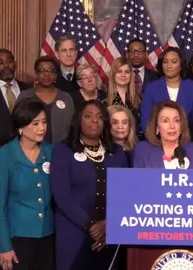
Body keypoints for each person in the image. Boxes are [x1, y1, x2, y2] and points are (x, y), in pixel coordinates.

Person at [50, 100, 128, 270]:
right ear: (79, 120)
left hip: (109, 236)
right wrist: (92, 226)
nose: (95, 121)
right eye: (88, 116)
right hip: (74, 236)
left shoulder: (117, 153)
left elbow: (124, 196)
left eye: (100, 117)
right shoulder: (63, 151)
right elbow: (62, 197)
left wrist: (108, 225)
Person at [0, 99, 55, 270]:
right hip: (18, 238)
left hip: (48, 236)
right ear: (21, 126)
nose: (42, 128)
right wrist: (5, 246)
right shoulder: (4, 155)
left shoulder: (50, 152)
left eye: (44, 122)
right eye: (35, 123)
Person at [140, 47, 193, 129]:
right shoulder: (151, 88)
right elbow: (146, 120)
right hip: (158, 139)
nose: (169, 66)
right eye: (165, 62)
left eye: (174, 62)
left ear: (181, 65)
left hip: (187, 138)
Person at [16, 56, 74, 143]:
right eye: (42, 70)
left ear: (56, 74)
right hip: (31, 149)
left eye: (51, 70)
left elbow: (71, 126)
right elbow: (18, 124)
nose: (46, 74)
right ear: (36, 74)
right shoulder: (25, 96)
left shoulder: (65, 97)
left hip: (60, 149)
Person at [134, 100, 193, 169]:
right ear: (157, 127)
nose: (172, 126)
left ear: (181, 126)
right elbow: (139, 181)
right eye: (165, 121)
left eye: (176, 120)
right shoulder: (142, 150)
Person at [101, 57, 143, 139]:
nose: (123, 75)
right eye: (119, 71)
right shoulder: (103, 99)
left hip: (135, 144)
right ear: (113, 74)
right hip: (111, 145)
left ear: (131, 75)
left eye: (127, 72)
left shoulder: (139, 98)